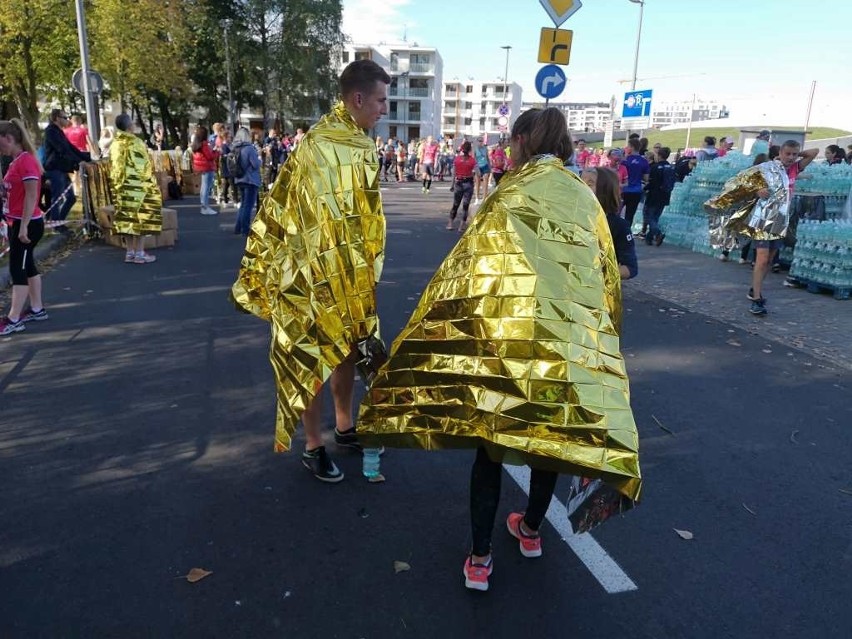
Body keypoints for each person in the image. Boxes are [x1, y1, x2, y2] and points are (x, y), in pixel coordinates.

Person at [358, 108, 641, 592]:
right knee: (548, 443)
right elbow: (607, 278)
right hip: (565, 348)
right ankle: (530, 530)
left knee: (490, 453)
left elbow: (468, 268)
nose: (508, 150)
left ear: (525, 139)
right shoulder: (583, 198)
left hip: (503, 345)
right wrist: (605, 346)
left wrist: (436, 328)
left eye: (512, 141)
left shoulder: (508, 193)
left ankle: (480, 559)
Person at [231, 59, 390, 482]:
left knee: (346, 353)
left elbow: (363, 216)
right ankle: (313, 446)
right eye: (380, 100)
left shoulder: (361, 144)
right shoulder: (320, 144)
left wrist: (366, 270)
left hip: (351, 273)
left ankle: (344, 425)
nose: (384, 109)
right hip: (312, 275)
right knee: (312, 357)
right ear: (357, 98)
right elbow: (304, 218)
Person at [0, 119, 49, 335]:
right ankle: (37, 308)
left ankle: (13, 319)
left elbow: (32, 195)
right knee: (27, 265)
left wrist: (23, 227)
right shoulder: (16, 161)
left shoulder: (25, 161)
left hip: (25, 223)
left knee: (17, 269)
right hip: (18, 221)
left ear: (9, 139)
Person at [109, 113, 162, 264]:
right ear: (129, 126)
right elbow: (143, 167)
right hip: (137, 187)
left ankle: (129, 252)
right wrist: (151, 184)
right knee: (140, 219)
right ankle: (140, 252)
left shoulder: (115, 144)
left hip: (121, 187)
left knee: (126, 219)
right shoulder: (136, 143)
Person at [582, 167, 638, 279]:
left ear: (605, 190)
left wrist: (596, 273)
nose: (582, 186)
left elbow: (630, 268)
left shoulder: (618, 225)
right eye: (580, 181)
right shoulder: (570, 217)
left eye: (590, 183)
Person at [42, 108, 91, 231]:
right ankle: (56, 225)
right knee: (57, 198)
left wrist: (87, 157)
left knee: (71, 198)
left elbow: (70, 147)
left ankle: (59, 222)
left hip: (62, 169)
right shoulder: (51, 131)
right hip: (54, 169)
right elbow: (63, 150)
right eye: (64, 117)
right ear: (57, 118)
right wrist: (79, 161)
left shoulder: (59, 131)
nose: (67, 119)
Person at [232, 126, 261, 236]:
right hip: (250, 179)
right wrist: (259, 159)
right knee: (248, 206)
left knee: (243, 205)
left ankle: (238, 227)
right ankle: (245, 229)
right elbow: (256, 164)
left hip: (239, 178)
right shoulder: (249, 149)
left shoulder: (234, 148)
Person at [643, 146, 676, 246]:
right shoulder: (670, 168)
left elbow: (651, 183)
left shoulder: (655, 167)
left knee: (648, 216)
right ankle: (649, 237)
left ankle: (658, 233)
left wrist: (644, 188)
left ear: (659, 155)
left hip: (654, 195)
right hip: (665, 195)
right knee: (656, 217)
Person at [446, 140, 476, 232]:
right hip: (468, 183)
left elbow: (453, 173)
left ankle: (450, 223)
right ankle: (461, 225)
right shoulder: (472, 160)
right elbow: (477, 172)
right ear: (470, 150)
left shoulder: (457, 159)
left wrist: (452, 185)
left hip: (458, 183)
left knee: (455, 204)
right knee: (465, 205)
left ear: (462, 149)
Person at [620, 138, 649, 230]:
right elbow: (646, 178)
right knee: (630, 214)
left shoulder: (625, 160)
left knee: (616, 212)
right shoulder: (644, 161)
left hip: (623, 190)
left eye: (628, 146)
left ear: (631, 147)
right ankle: (626, 233)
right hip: (636, 191)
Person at [191, 125, 219, 215]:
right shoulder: (204, 144)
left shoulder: (196, 144)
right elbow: (210, 156)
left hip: (201, 167)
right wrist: (216, 152)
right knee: (206, 187)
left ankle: (203, 205)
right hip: (207, 167)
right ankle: (205, 207)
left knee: (203, 187)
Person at [472, 138, 491, 204]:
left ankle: (484, 197)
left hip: (485, 165)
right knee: (477, 182)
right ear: (477, 141)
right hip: (478, 166)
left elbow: (487, 158)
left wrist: (490, 167)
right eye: (479, 141)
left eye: (481, 141)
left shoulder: (485, 149)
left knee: (486, 180)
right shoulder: (475, 149)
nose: (480, 142)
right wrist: (475, 168)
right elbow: (474, 159)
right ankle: (477, 198)